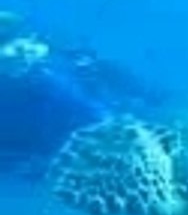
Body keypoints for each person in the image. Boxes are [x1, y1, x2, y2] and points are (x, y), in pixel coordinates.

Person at [0, 11, 158, 178]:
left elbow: (99, 118)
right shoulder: (39, 75)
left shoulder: (51, 76)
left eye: (23, 48)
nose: (20, 56)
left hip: (78, 142)